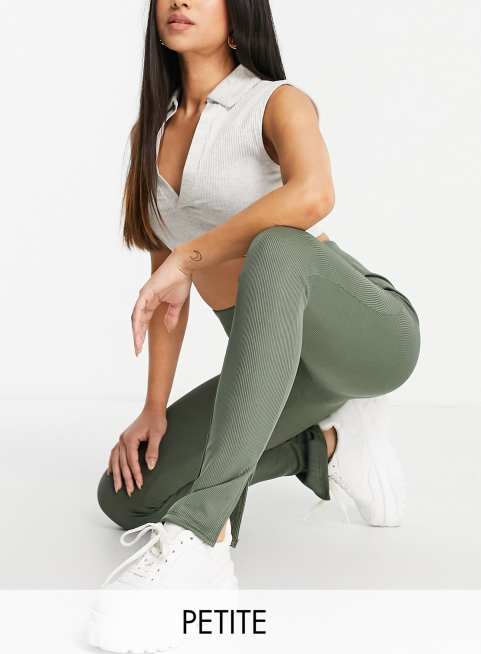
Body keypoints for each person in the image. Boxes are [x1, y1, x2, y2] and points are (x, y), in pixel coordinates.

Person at [88, 1, 421, 651]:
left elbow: (313, 195)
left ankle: (201, 541)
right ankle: (326, 446)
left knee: (275, 244)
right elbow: (167, 292)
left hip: (366, 339)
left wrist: (190, 256)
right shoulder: (149, 135)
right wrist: (153, 406)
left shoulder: (275, 103)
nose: (178, 1)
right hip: (275, 370)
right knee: (127, 497)